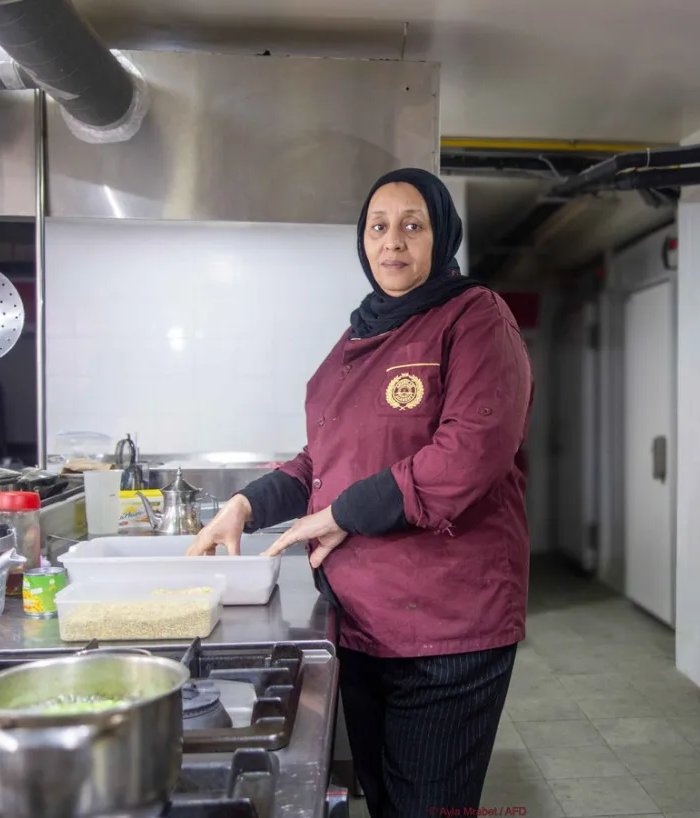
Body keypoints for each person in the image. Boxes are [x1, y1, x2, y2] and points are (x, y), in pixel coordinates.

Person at [185, 167, 533, 817]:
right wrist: (247, 504)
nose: (392, 241)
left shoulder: (474, 317)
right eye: (379, 227)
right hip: (363, 623)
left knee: (426, 805)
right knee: (383, 797)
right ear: (362, 241)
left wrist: (346, 512)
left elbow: (471, 454)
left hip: (447, 627)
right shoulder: (357, 337)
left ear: (441, 236)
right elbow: (323, 459)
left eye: (412, 225)